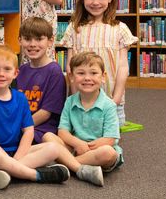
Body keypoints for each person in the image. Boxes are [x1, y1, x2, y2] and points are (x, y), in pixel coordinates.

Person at [0, 44, 70, 190]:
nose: (1, 74)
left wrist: (16, 158)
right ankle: (34, 175)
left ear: (15, 73)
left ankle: (5, 171)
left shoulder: (21, 98)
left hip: (16, 151)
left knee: (54, 148)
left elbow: (29, 131)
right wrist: (3, 156)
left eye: (7, 69)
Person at [61, 0, 138, 126]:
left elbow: (123, 67)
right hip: (81, 101)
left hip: (111, 100)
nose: (95, 2)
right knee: (81, 137)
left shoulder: (120, 29)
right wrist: (76, 98)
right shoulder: (74, 29)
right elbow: (71, 68)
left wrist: (115, 99)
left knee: (110, 141)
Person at [43, 51, 124, 187]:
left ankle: (67, 163)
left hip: (98, 149)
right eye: (81, 73)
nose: (87, 78)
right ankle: (78, 166)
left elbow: (110, 139)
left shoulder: (109, 105)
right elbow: (62, 132)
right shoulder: (70, 101)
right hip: (75, 146)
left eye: (93, 73)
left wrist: (87, 147)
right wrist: (77, 144)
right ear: (72, 77)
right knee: (48, 137)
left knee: (108, 153)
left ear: (103, 77)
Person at [16, 17, 65, 143]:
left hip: (42, 129)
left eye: (38, 39)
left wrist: (20, 127)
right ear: (20, 41)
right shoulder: (21, 71)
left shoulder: (54, 71)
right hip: (21, 126)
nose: (32, 44)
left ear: (50, 41)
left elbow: (46, 113)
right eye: (27, 39)